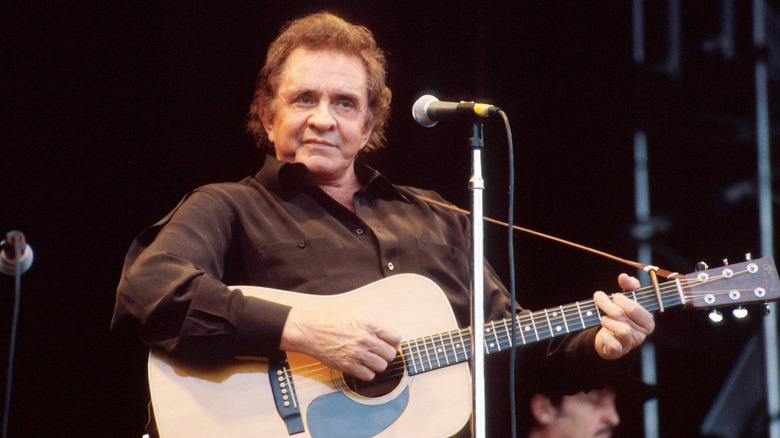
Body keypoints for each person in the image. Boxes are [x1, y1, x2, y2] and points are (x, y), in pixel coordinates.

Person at [111, 10, 654, 435]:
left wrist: (597, 347)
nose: (323, 118)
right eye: (304, 98)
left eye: (345, 103)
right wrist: (300, 331)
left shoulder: (436, 217)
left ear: (369, 125)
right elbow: (149, 290)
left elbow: (512, 342)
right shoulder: (228, 207)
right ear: (267, 115)